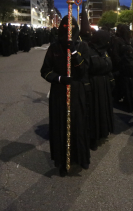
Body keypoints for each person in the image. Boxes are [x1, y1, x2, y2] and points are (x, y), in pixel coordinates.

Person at [40, 15, 90, 176]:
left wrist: (74, 52)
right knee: (61, 126)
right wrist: (59, 78)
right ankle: (62, 160)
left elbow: (83, 71)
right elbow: (45, 71)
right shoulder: (54, 48)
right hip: (59, 93)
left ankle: (80, 157)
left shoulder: (83, 47)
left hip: (76, 92)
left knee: (78, 125)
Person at [88, 30, 115, 151]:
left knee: (103, 109)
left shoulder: (104, 52)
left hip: (104, 85)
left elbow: (108, 66)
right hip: (94, 85)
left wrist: (110, 78)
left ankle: (103, 131)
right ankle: (92, 136)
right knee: (94, 111)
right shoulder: (89, 51)